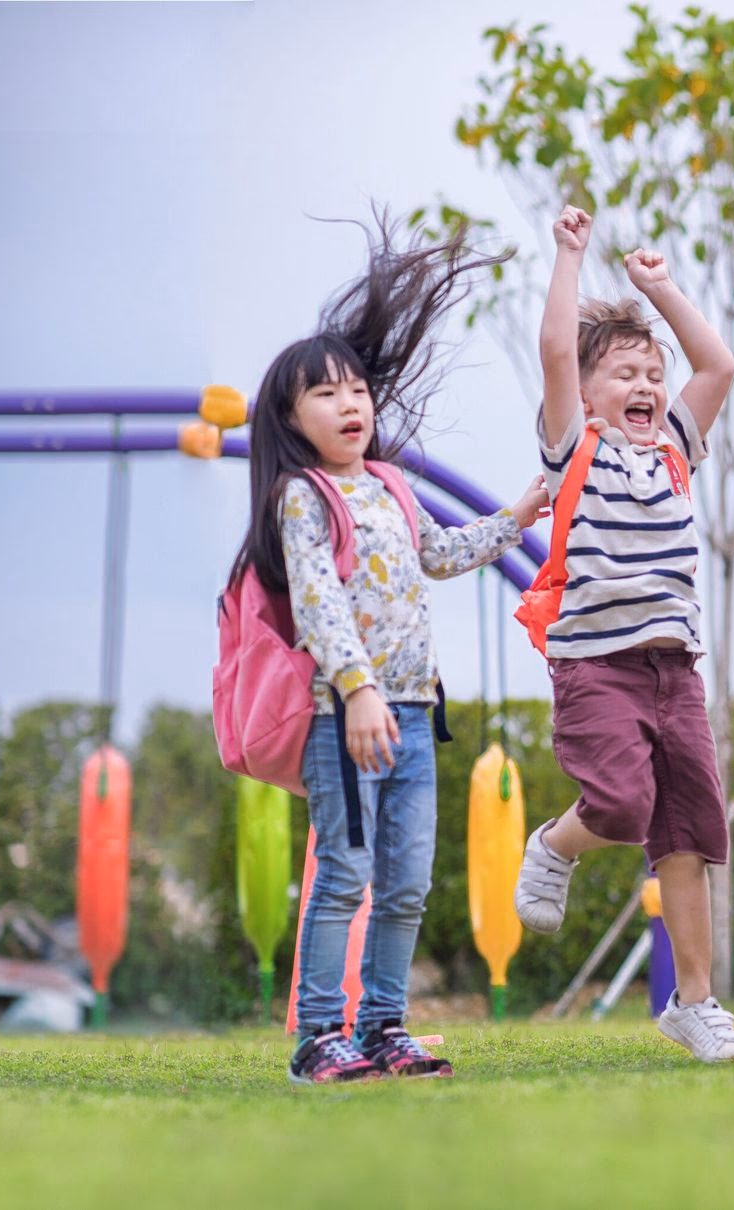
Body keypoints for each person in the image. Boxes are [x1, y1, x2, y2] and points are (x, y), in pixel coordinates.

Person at [225, 214, 548, 1083]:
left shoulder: (393, 486)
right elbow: (319, 603)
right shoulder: (303, 496)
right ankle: (317, 1036)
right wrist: (359, 691)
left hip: (412, 715)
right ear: (290, 417)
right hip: (347, 717)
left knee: (407, 883)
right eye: (326, 395)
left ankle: (382, 1029)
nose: (351, 405)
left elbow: (438, 554)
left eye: (358, 391)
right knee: (344, 873)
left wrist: (516, 517)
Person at [510, 205, 734, 1061]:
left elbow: (718, 365)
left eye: (653, 373)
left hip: (675, 669)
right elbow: (554, 350)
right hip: (597, 666)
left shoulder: (676, 449)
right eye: (624, 373)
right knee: (618, 805)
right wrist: (570, 255)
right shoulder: (575, 447)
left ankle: (695, 1004)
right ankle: (554, 844)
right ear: (586, 393)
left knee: (688, 831)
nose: (647, 385)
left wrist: (662, 290)